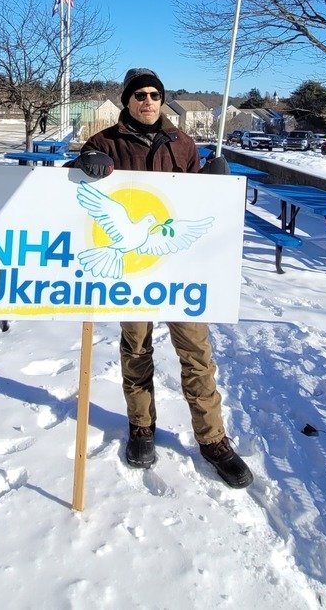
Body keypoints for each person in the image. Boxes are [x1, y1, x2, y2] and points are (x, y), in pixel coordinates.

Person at [70, 67, 252, 489]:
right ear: (127, 101)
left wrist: (213, 183)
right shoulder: (104, 143)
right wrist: (82, 164)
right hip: (132, 273)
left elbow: (192, 203)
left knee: (197, 356)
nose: (148, 101)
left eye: (154, 94)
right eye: (140, 95)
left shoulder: (182, 143)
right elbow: (68, 191)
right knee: (136, 351)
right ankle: (142, 428)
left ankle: (214, 440)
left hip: (178, 270)